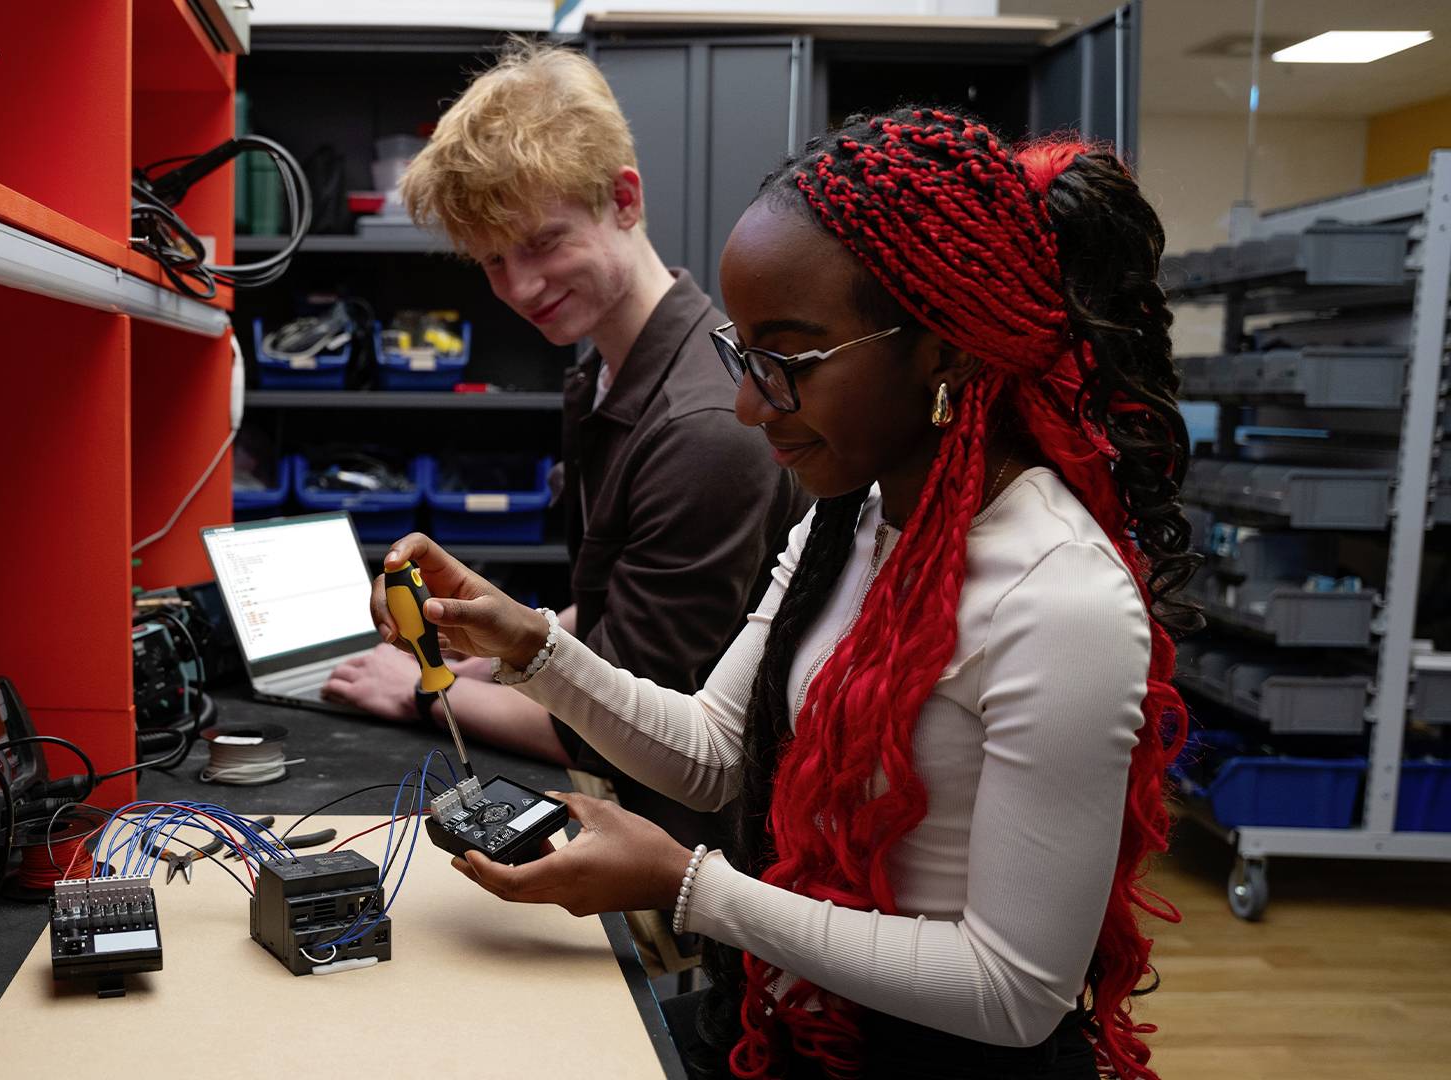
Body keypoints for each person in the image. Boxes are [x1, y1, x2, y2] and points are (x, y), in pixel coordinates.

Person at [368, 108, 1199, 1080]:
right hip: (798, 1028)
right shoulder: (852, 511)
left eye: (789, 363)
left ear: (946, 348)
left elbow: (1013, 992)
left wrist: (690, 886)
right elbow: (718, 751)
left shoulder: (1061, 600)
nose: (749, 406)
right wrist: (531, 647)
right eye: (743, 354)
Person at [324, 40, 806, 852]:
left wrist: (424, 691)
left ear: (623, 199)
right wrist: (487, 658)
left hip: (682, 845)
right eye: (491, 262)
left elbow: (633, 726)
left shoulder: (702, 428)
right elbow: (616, 607)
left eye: (542, 244)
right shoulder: (608, 378)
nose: (518, 287)